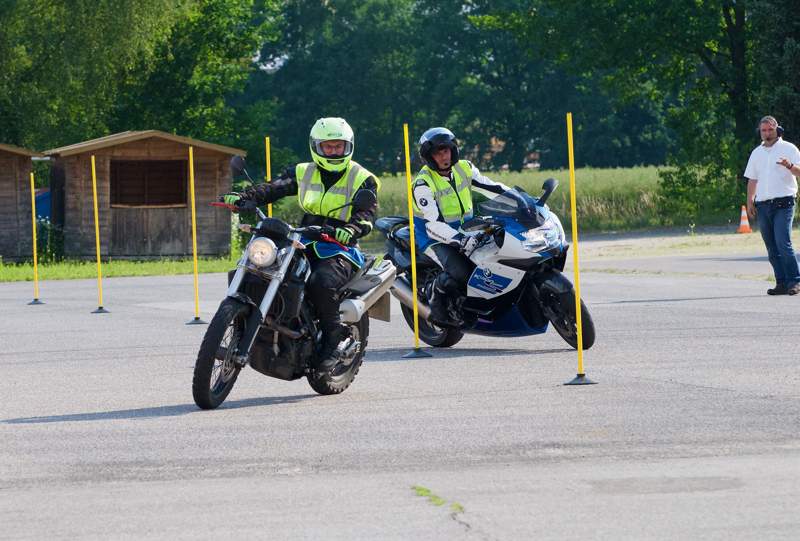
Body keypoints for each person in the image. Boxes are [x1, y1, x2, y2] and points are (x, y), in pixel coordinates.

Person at [223, 117, 380, 369]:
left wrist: (352, 228)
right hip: (303, 237)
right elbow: (273, 187)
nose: (333, 151)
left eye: (338, 146)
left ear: (348, 146)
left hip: (340, 245)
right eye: (327, 146)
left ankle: (333, 339)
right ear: (316, 147)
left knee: (321, 282)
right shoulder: (303, 171)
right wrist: (244, 197)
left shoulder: (363, 178)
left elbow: (367, 212)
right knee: (264, 267)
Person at [411, 127, 512, 324]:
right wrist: (460, 239)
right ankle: (435, 297)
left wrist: (524, 199)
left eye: (446, 150)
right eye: (437, 153)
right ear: (429, 157)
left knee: (500, 252)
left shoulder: (464, 168)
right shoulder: (423, 184)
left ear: (453, 150)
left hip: (469, 230)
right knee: (461, 273)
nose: (443, 156)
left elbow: (492, 187)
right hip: (434, 238)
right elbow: (433, 225)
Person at [744, 115, 800, 296]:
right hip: (763, 205)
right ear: (759, 132)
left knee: (783, 242)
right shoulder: (756, 153)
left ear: (778, 129)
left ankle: (795, 281)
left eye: (770, 129)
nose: (767, 133)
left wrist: (789, 166)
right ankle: (781, 283)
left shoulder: (789, 148)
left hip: (784, 202)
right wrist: (750, 201)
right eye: (764, 130)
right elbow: (752, 179)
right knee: (771, 247)